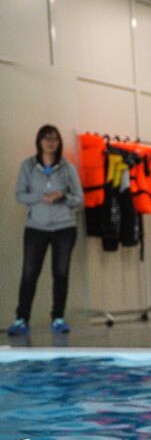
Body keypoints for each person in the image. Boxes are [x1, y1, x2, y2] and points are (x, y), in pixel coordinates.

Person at [11, 124, 83, 337]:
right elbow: (19, 195)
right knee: (29, 273)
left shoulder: (68, 168)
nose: (50, 143)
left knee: (61, 273)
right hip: (36, 228)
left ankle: (58, 318)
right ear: (39, 141)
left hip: (64, 227)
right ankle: (22, 319)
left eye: (54, 139)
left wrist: (63, 198)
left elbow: (79, 199)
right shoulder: (28, 166)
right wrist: (41, 198)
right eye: (46, 138)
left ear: (59, 142)